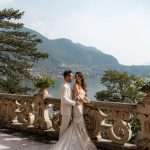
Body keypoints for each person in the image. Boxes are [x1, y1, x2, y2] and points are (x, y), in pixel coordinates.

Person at [50, 71, 97, 150]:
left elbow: (79, 96)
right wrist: (75, 103)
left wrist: (85, 100)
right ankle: (61, 144)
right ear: (66, 77)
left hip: (77, 107)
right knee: (65, 128)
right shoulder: (66, 86)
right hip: (71, 108)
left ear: (81, 78)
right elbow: (65, 99)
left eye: (76, 76)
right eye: (73, 76)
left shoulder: (70, 85)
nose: (73, 78)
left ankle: (64, 143)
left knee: (71, 127)